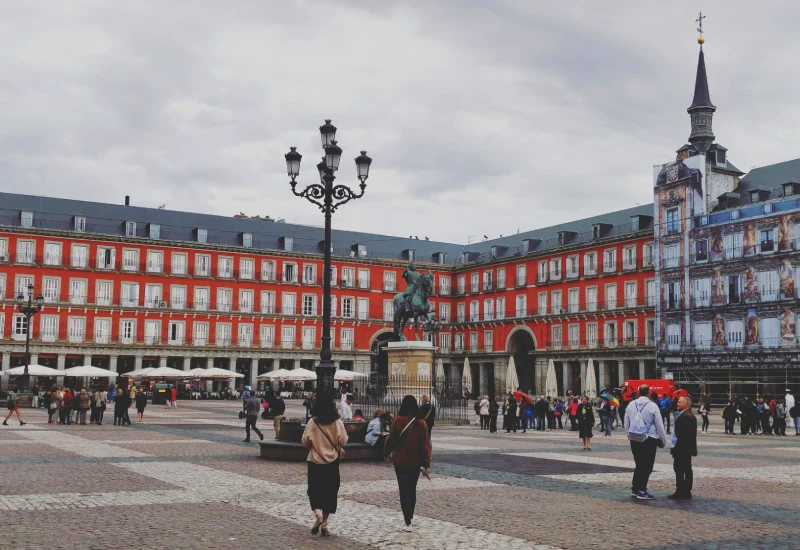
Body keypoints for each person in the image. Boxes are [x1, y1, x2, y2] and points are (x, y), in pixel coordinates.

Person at [384, 395, 432, 532]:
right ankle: (410, 515)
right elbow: (425, 446)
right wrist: (426, 464)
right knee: (412, 489)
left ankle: (407, 520)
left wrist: (386, 453)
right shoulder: (422, 423)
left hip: (400, 461)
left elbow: (391, 439)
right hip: (415, 463)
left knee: (403, 490)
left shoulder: (398, 421)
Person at [302, 394, 347, 537]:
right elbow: (343, 440)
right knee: (330, 492)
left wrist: (315, 444)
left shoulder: (313, 422)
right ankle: (325, 524)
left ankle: (317, 516)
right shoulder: (337, 422)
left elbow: (305, 441)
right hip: (332, 463)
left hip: (315, 461)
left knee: (313, 490)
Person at [624, 384, 668, 500]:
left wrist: (629, 435)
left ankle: (635, 488)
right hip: (649, 438)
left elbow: (626, 422)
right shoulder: (652, 406)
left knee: (639, 464)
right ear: (648, 393)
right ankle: (642, 490)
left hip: (634, 438)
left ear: (638, 393)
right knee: (647, 465)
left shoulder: (630, 404)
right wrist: (663, 439)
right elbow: (659, 425)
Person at [669, 396, 697, 500]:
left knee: (682, 469)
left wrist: (676, 448)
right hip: (683, 448)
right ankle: (683, 490)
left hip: (682, 448)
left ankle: (683, 490)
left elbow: (683, 435)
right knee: (682, 469)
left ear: (686, 404)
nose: (677, 404)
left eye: (680, 402)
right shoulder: (685, 415)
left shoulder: (687, 416)